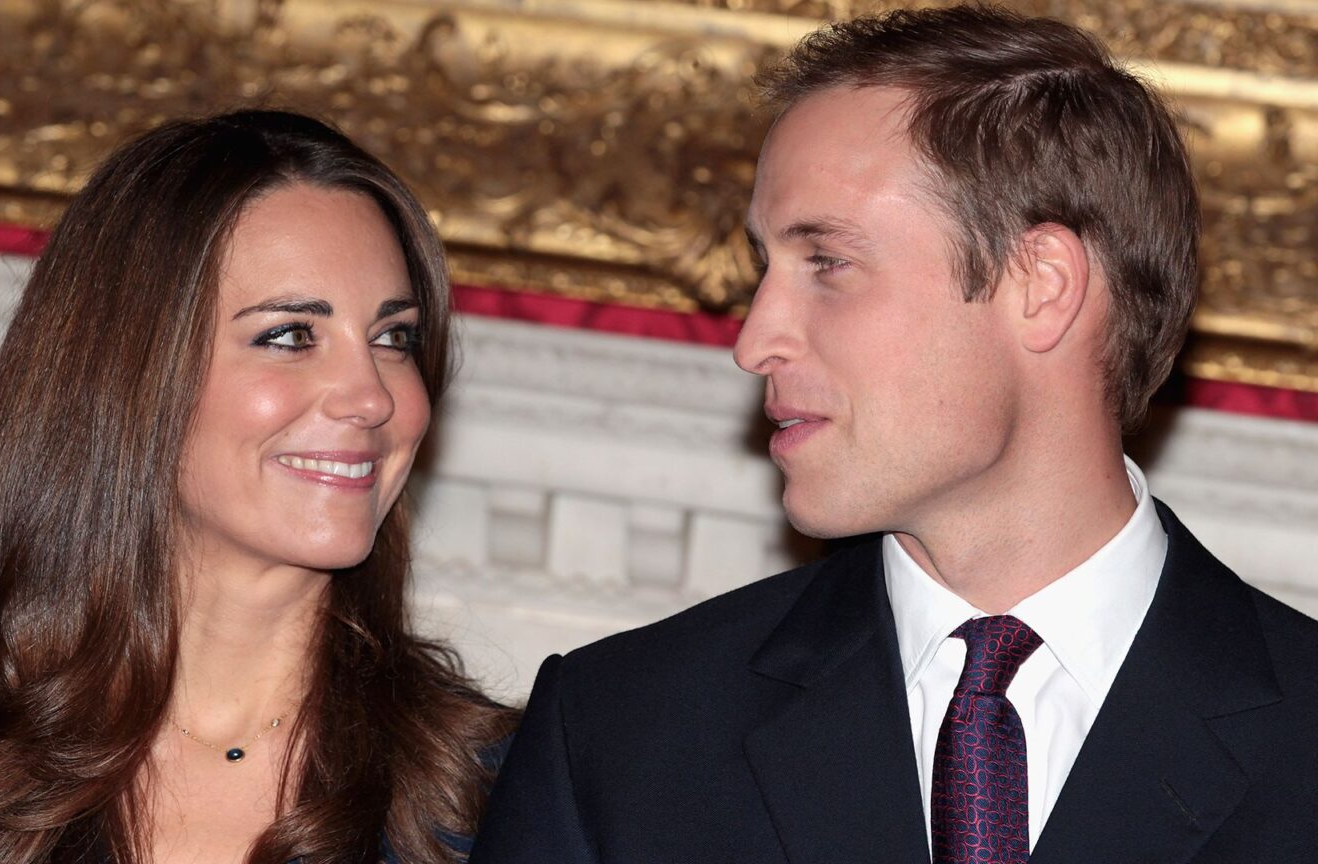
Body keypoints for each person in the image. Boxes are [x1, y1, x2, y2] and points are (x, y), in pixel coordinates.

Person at [470, 7, 1318, 863]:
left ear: (1043, 286)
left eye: (827, 263)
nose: (754, 340)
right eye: (766, 268)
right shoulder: (619, 738)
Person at [0, 110, 516, 864]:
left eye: (393, 337)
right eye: (289, 335)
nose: (372, 397)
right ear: (127, 376)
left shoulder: (498, 791)